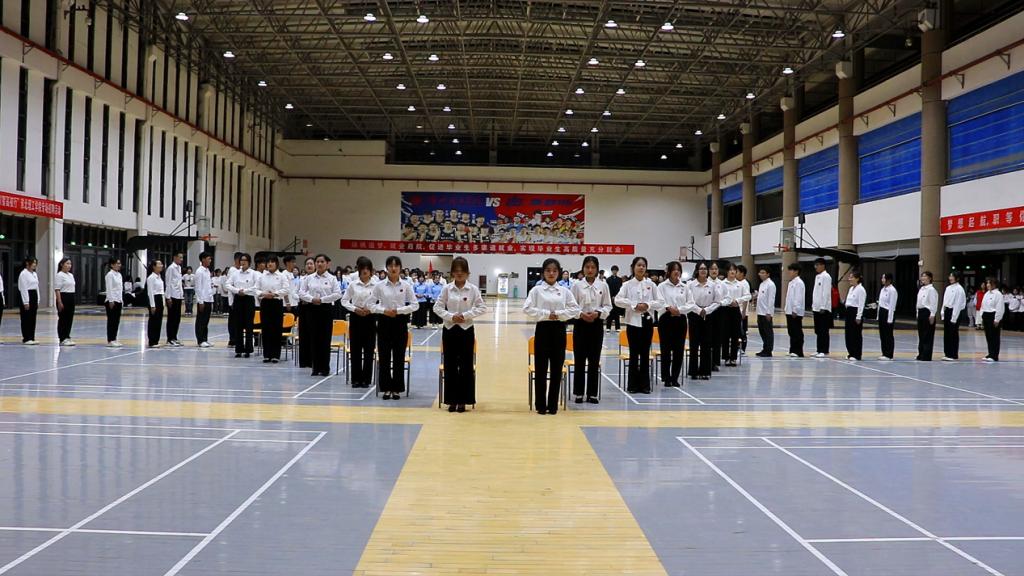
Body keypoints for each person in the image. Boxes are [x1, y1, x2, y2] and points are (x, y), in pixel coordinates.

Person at [524, 258, 580, 414]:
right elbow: (527, 308)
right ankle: (540, 405)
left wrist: (559, 314)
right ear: (543, 272)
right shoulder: (536, 290)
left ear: (559, 273)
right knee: (541, 369)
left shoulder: (564, 291)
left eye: (554, 270)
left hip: (559, 330)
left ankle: (553, 404)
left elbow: (575, 309)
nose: (551, 273)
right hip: (542, 329)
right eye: (548, 270)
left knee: (556, 369)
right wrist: (546, 314)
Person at [434, 257, 487, 412]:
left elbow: (482, 307)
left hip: (466, 330)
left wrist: (465, 315)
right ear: (452, 273)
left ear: (467, 273)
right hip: (450, 329)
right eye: (456, 271)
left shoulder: (473, 289)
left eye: (462, 271)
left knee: (466, 365)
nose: (459, 273)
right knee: (450, 364)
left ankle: (463, 400)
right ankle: (451, 400)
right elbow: (437, 307)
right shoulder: (446, 289)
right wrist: (451, 317)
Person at [371, 256, 418, 400]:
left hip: (400, 322)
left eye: (396, 266)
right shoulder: (379, 286)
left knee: (398, 356)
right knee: (384, 356)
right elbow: (370, 305)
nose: (393, 268)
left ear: (400, 268)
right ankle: (386, 388)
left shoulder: (406, 285)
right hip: (384, 321)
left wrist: (399, 310)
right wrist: (383, 310)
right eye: (390, 266)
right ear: (386, 268)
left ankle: (397, 388)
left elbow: (415, 305)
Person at [615, 256, 664, 393]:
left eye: (643, 265)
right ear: (633, 267)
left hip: (647, 323)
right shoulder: (627, 285)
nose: (641, 268)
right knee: (634, 353)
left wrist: (647, 305)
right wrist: (634, 305)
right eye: (638, 265)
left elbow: (661, 302)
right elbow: (618, 300)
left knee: (644, 354)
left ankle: (645, 385)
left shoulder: (651, 285)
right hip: (632, 323)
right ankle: (632, 385)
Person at [571, 255, 612, 402]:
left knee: (594, 360)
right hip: (580, 324)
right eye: (587, 267)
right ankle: (579, 392)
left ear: (597, 269)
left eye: (593, 267)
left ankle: (592, 393)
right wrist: (581, 314)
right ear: (583, 268)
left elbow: (608, 305)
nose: (590, 270)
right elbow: (571, 305)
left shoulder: (603, 286)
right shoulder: (576, 285)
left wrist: (598, 313)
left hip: (596, 325)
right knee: (579, 359)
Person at [300, 254, 344, 377]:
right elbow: (301, 292)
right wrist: (311, 299)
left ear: (327, 264)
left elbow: (338, 294)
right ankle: (315, 367)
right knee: (314, 338)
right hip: (312, 309)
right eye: (317, 262)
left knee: (325, 339)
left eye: (322, 261)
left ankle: (325, 368)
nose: (319, 264)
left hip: (326, 309)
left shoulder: (332, 278)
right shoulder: (309, 278)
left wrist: (323, 299)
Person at [341, 256, 377, 387]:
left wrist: (371, 309)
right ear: (359, 270)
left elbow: (381, 302)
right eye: (363, 268)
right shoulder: (353, 284)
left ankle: (366, 379)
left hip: (370, 317)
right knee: (355, 349)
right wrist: (355, 309)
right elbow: (344, 301)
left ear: (371, 270)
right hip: (356, 317)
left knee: (369, 349)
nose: (365, 271)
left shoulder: (376, 285)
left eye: (367, 268)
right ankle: (355, 379)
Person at [657, 261, 689, 387]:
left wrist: (679, 310)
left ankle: (675, 377)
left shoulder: (685, 287)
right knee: (665, 349)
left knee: (678, 350)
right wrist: (669, 308)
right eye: (674, 269)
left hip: (680, 319)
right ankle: (666, 377)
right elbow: (659, 301)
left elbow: (691, 303)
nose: (677, 272)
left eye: (678, 269)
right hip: (666, 319)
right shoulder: (662, 286)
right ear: (669, 272)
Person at [686, 262, 718, 380]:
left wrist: (707, 310)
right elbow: (688, 301)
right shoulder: (690, 285)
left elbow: (717, 301)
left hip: (708, 315)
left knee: (706, 344)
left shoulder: (712, 285)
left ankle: (705, 371)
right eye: (701, 268)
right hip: (694, 314)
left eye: (705, 268)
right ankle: (693, 371)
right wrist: (698, 310)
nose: (703, 270)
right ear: (697, 271)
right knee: (694, 344)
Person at [226, 253, 259, 358]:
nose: (243, 262)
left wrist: (245, 291)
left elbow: (256, 286)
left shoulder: (253, 273)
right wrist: (237, 290)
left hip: (249, 299)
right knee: (238, 325)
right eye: (241, 260)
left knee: (249, 325)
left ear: (249, 262)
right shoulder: (235, 273)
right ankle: (239, 349)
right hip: (238, 299)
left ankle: (248, 349)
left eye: (245, 260)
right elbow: (227, 284)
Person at [258, 255, 289, 363]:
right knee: (266, 328)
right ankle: (267, 354)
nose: (270, 264)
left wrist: (275, 294)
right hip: (265, 302)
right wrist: (263, 294)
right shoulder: (262, 276)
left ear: (277, 264)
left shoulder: (281, 276)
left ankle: (276, 355)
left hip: (276, 303)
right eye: (268, 262)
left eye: (272, 262)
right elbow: (255, 289)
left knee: (276, 329)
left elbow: (286, 289)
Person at [719, 264, 749, 367]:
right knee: (725, 334)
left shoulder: (740, 284)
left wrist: (737, 301)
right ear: (727, 272)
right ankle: (726, 357)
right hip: (725, 310)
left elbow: (748, 295)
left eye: (734, 270)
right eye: (730, 270)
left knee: (735, 334)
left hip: (736, 310)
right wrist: (727, 302)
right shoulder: (722, 284)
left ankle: (733, 358)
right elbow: (719, 297)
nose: (732, 272)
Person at [941, 271, 967, 361]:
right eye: (950, 276)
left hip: (955, 311)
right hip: (947, 310)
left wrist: (954, 317)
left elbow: (958, 304)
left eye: (952, 276)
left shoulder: (959, 289)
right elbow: (944, 301)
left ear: (957, 278)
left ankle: (953, 354)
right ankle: (947, 353)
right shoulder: (948, 288)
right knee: (947, 333)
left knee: (953, 333)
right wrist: (942, 312)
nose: (950, 278)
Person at [296, 257, 316, 368]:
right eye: (307, 264)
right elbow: (295, 293)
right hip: (303, 307)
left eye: (311, 264)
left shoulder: (316, 279)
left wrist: (309, 299)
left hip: (313, 307)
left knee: (312, 333)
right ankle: (304, 361)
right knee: (303, 334)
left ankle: (313, 360)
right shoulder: (301, 279)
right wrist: (301, 298)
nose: (309, 266)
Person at [811, 258, 833, 358]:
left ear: (823, 265)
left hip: (823, 309)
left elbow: (826, 293)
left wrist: (823, 306)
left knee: (823, 330)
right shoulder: (817, 276)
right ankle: (819, 349)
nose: (816, 267)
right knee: (818, 330)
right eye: (815, 265)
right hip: (816, 307)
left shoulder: (826, 276)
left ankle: (824, 350)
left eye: (817, 265)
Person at [916, 271, 939, 362]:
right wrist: (917, 313)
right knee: (921, 334)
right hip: (921, 312)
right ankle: (921, 353)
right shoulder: (921, 289)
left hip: (927, 312)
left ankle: (926, 355)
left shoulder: (931, 290)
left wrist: (932, 314)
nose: (922, 278)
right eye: (922, 276)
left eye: (925, 276)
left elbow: (933, 303)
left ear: (930, 278)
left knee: (927, 335)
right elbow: (918, 302)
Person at [54, 257, 77, 346]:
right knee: (63, 318)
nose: (69, 265)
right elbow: (57, 289)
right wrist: (59, 302)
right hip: (63, 297)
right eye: (67, 263)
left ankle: (67, 336)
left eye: (70, 264)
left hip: (71, 296)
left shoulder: (70, 275)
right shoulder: (59, 275)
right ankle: (62, 338)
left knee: (69, 318)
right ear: (62, 265)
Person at [844, 271, 866, 361]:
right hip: (849, 311)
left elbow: (861, 304)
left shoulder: (861, 289)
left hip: (855, 312)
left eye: (851, 277)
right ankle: (851, 352)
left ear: (857, 279)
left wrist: (858, 316)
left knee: (856, 334)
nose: (849, 279)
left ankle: (857, 354)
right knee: (849, 334)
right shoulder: (851, 289)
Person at [980, 277, 1004, 362]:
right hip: (986, 315)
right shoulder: (987, 294)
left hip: (993, 315)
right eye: (987, 283)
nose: (987, 285)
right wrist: (982, 315)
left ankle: (994, 355)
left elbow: (1000, 307)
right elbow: (983, 305)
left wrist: (997, 319)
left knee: (994, 336)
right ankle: (990, 353)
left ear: (994, 284)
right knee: (988, 336)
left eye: (989, 283)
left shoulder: (998, 294)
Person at [784, 263, 805, 358]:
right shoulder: (791, 282)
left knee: (797, 331)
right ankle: (792, 349)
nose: (789, 272)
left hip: (795, 312)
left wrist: (795, 309)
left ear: (796, 271)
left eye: (791, 270)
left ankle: (798, 351)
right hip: (789, 310)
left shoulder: (799, 283)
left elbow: (798, 297)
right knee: (791, 331)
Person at [194, 252, 214, 348]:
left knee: (206, 321)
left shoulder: (207, 271)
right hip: (203, 300)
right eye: (208, 259)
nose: (210, 260)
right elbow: (198, 287)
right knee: (201, 321)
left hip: (208, 298)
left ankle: (205, 339)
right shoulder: (199, 271)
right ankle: (200, 340)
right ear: (203, 259)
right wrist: (200, 301)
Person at [755, 267, 776, 357]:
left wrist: (769, 312)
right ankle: (765, 348)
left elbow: (771, 299)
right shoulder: (762, 284)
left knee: (768, 332)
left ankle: (768, 350)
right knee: (762, 331)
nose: (761, 274)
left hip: (766, 313)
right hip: (760, 312)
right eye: (760, 272)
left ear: (768, 274)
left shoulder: (771, 285)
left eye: (763, 272)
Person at [18, 258, 39, 345]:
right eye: (33, 263)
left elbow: (37, 287)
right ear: (27, 263)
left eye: (35, 263)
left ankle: (32, 337)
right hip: (27, 295)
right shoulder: (23, 274)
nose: (34, 264)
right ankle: (26, 338)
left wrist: (38, 299)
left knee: (33, 318)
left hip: (34, 295)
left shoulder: (34, 274)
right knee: (26, 317)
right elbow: (23, 288)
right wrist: (26, 302)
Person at [165, 252, 185, 347]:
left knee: (177, 318)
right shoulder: (171, 268)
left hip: (178, 296)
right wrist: (168, 297)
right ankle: (170, 338)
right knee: (171, 318)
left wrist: (181, 294)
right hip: (172, 296)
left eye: (182, 257)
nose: (181, 259)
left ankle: (174, 337)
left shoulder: (179, 268)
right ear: (175, 257)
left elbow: (179, 282)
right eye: (180, 257)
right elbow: (168, 283)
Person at [877, 273, 897, 361]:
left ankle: (889, 354)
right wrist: (878, 315)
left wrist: (890, 318)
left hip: (888, 312)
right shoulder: (882, 289)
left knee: (888, 334)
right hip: (882, 312)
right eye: (882, 278)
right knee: (882, 334)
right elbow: (880, 303)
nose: (882, 279)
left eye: (884, 278)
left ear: (889, 280)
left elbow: (892, 305)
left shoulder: (892, 290)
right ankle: (884, 353)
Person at [104, 258, 124, 347]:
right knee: (111, 321)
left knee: (116, 321)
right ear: (112, 265)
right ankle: (110, 340)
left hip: (118, 300)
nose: (119, 265)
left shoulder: (119, 275)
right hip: (111, 301)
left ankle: (114, 338)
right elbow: (109, 288)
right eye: (117, 263)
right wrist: (111, 300)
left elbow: (120, 288)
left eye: (120, 263)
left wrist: (121, 300)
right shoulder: (110, 275)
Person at [146, 260, 166, 348]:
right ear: (154, 266)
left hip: (160, 299)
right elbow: (150, 292)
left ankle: (156, 340)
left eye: (161, 264)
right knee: (153, 321)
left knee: (158, 321)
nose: (161, 265)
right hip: (154, 299)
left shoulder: (160, 277)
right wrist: (152, 305)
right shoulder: (151, 278)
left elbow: (161, 291)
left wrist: (163, 302)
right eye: (159, 264)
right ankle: (152, 341)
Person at [226, 252, 242, 345]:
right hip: (233, 298)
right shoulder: (232, 270)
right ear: (236, 260)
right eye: (240, 260)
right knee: (232, 321)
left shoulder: (241, 270)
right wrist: (231, 301)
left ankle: (237, 338)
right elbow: (229, 287)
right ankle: (232, 339)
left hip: (240, 297)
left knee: (238, 320)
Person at [735, 265, 751, 354]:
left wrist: (744, 311)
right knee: (738, 330)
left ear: (742, 273)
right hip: (738, 310)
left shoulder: (745, 283)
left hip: (742, 311)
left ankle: (742, 348)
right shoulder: (737, 282)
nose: (735, 273)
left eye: (737, 272)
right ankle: (737, 346)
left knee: (743, 330)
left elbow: (746, 299)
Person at [605, 265, 623, 332]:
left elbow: (620, 289)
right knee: (610, 312)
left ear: (617, 271)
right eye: (613, 270)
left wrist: (616, 296)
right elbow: (607, 289)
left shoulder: (619, 279)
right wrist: (611, 296)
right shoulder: (608, 279)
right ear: (612, 271)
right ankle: (608, 327)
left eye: (616, 270)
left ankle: (617, 327)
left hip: (617, 298)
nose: (614, 271)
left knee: (617, 313)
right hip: (610, 298)